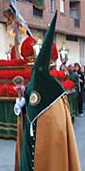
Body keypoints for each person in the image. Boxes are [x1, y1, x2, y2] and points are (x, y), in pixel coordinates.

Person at [15, 12, 81, 171]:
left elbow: (58, 128)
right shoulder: (32, 84)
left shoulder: (55, 90)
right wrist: (20, 106)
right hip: (30, 144)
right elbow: (26, 103)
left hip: (48, 143)